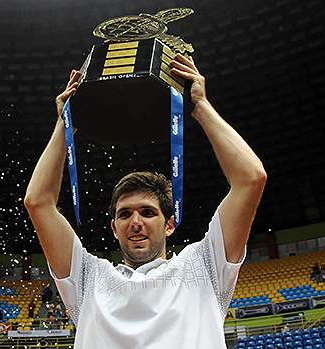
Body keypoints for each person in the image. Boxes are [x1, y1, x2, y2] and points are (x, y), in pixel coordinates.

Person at [24, 54, 267, 348]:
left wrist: (201, 107)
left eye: (148, 212)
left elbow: (251, 179)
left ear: (170, 224)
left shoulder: (203, 267)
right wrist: (66, 126)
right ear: (114, 228)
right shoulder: (88, 279)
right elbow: (38, 202)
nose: (135, 222)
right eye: (125, 214)